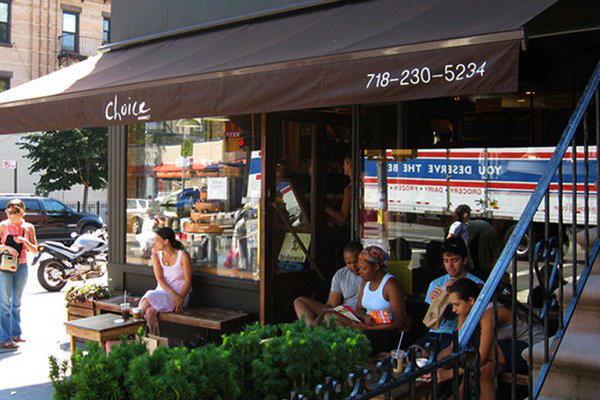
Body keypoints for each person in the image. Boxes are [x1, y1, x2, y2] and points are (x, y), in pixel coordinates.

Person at [436, 278, 543, 400]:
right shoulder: (466, 312)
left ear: (471, 300)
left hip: (534, 348)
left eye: (456, 304)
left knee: (478, 354)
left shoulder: (489, 313)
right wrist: (438, 363)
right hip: (508, 348)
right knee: (483, 370)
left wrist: (449, 373)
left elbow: (482, 356)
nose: (453, 309)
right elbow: (456, 345)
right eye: (452, 305)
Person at [417, 237, 483, 350]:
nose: (450, 266)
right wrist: (435, 303)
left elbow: (481, 318)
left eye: (455, 260)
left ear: (464, 260)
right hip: (434, 333)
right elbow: (430, 321)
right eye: (446, 261)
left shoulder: (477, 284)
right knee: (412, 353)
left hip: (460, 335)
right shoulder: (436, 284)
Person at [347, 246, 409, 354]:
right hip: (367, 328)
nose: (360, 272)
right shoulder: (365, 282)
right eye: (359, 268)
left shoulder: (391, 285)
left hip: (387, 333)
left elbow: (400, 322)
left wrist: (367, 328)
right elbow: (359, 309)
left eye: (364, 268)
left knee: (353, 343)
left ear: (376, 266)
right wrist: (364, 316)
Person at [294, 241, 363, 325]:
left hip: (357, 315)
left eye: (356, 262)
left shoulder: (369, 274)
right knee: (299, 302)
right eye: (349, 263)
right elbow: (332, 304)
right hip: (343, 311)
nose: (353, 266)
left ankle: (316, 329)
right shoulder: (341, 274)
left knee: (329, 316)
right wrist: (324, 313)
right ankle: (311, 328)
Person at [139, 227, 193, 334]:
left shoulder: (183, 256)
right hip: (163, 292)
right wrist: (174, 296)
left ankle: (132, 327)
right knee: (150, 312)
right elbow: (160, 279)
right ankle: (153, 341)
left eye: (157, 240)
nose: (154, 243)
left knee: (149, 296)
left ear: (166, 241)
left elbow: (188, 281)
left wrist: (179, 298)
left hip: (181, 294)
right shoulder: (156, 256)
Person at [0, 199, 38, 351]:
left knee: (16, 303)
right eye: (8, 212)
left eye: (13, 212)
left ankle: (15, 334)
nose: (10, 215)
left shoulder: (28, 227)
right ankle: (4, 339)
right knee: (4, 303)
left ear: (21, 212)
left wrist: (24, 241)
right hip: (5, 267)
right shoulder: (3, 226)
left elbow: (34, 249)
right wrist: (7, 248)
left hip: (21, 266)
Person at [325, 155, 352, 224]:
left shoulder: (349, 189)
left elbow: (343, 217)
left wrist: (326, 209)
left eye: (345, 164)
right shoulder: (359, 183)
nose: (343, 166)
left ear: (349, 164)